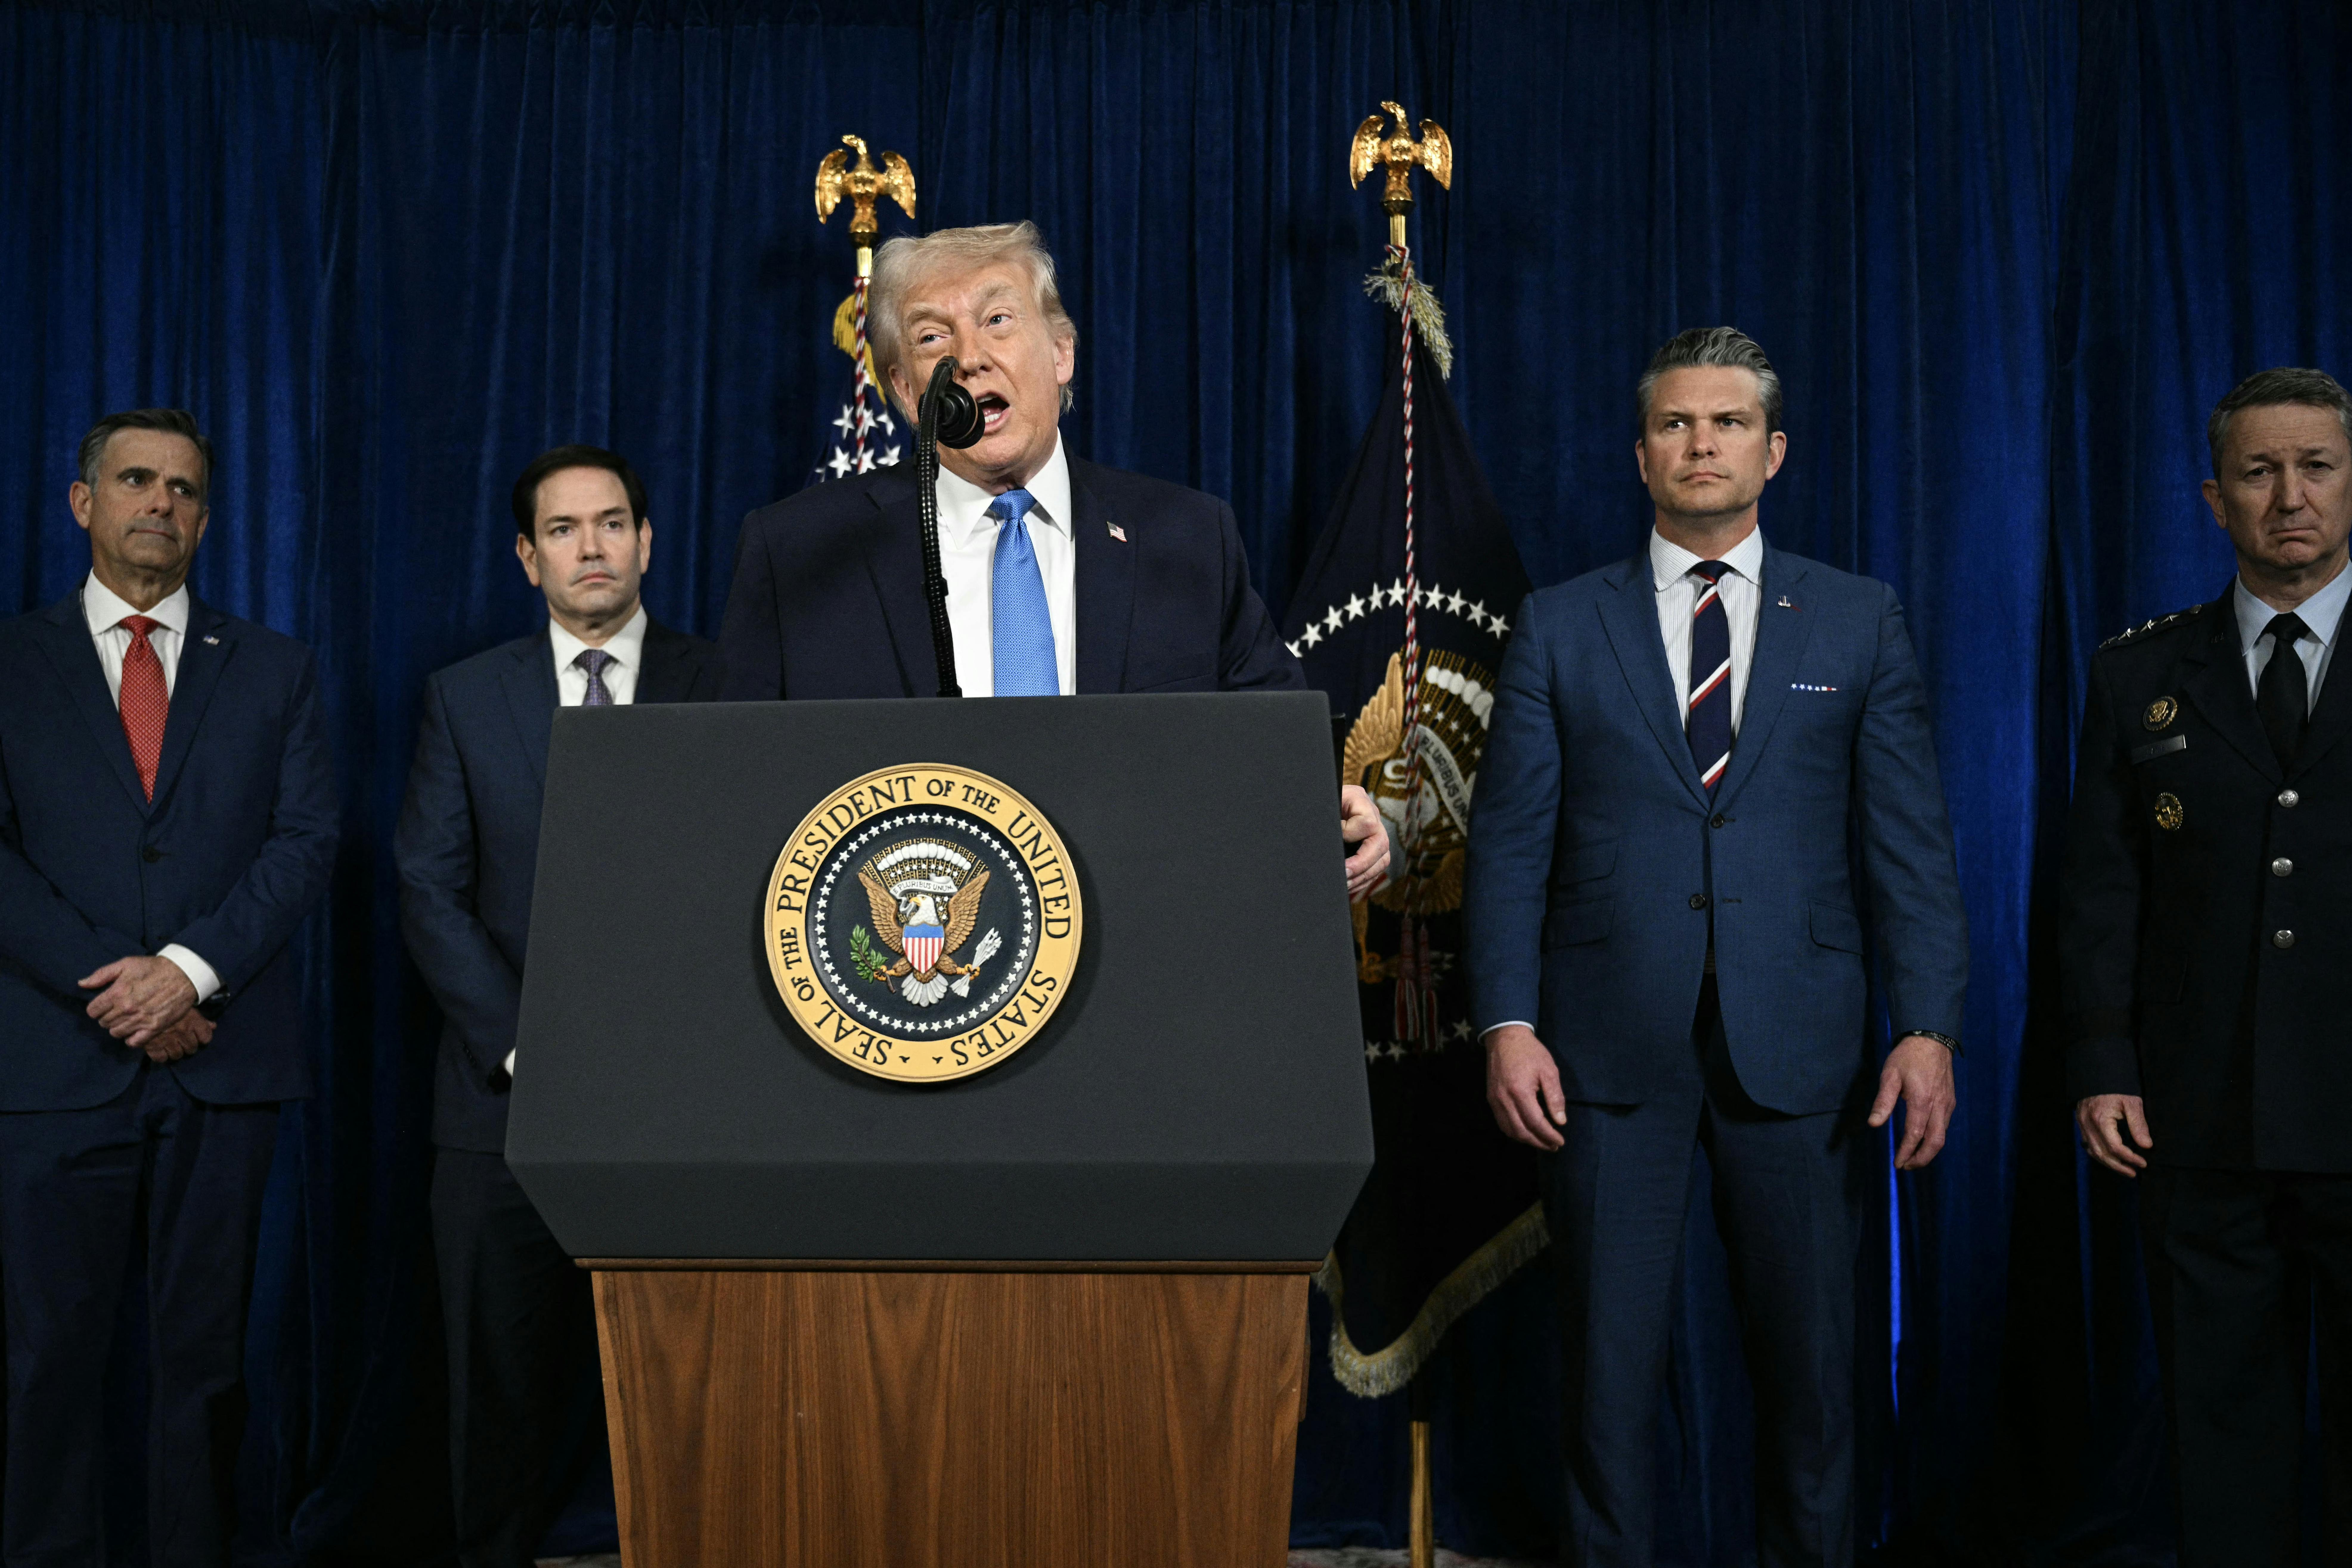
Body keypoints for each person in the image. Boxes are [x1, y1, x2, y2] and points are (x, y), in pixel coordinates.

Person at [1465, 328, 1968, 1567]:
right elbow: (1509, 846)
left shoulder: (1856, 620)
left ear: (1771, 450)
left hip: (1801, 1052)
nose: (1701, 443)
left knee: (1810, 1381)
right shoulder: (1557, 624)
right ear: (1640, 455)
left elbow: (1907, 844)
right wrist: (1505, 1021)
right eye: (1678, 424)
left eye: (1727, 423)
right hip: (1599, 1050)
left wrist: (1926, 1026)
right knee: (1604, 1379)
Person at [717, 221, 1386, 897]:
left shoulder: (1186, 540)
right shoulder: (798, 554)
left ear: (1062, 352)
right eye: (930, 337)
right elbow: (733, 794)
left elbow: (1271, 749)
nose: (969, 356)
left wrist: (1324, 810)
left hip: (1145, 945)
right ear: (905, 391)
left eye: (998, 319)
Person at [0, 408, 339, 1566]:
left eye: (185, 489)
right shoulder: (9, 664)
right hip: (54, 1069)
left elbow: (304, 841)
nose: (162, 504)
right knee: (47, 1362)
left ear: (206, 514)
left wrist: (189, 972)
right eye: (137, 481)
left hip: (223, 1063)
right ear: (83, 500)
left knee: (204, 1364)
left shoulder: (278, 668)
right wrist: (120, 991)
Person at [396, 445, 722, 1567]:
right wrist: (531, 1049)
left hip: (685, 1112)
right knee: (499, 1394)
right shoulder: (464, 694)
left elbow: (755, 878)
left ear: (645, 539)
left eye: (614, 522)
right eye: (567, 529)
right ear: (530, 558)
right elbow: (428, 888)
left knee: (695, 1391)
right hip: (501, 1114)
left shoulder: (723, 683)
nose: (594, 546)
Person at [2060, 367, 2352, 1566]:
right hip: (2197, 1109)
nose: (2288, 495)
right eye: (2256, 471)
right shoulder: (2140, 676)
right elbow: (2097, 888)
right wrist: (2099, 1060)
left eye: (2316, 467)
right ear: (2210, 497)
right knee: (2217, 1424)